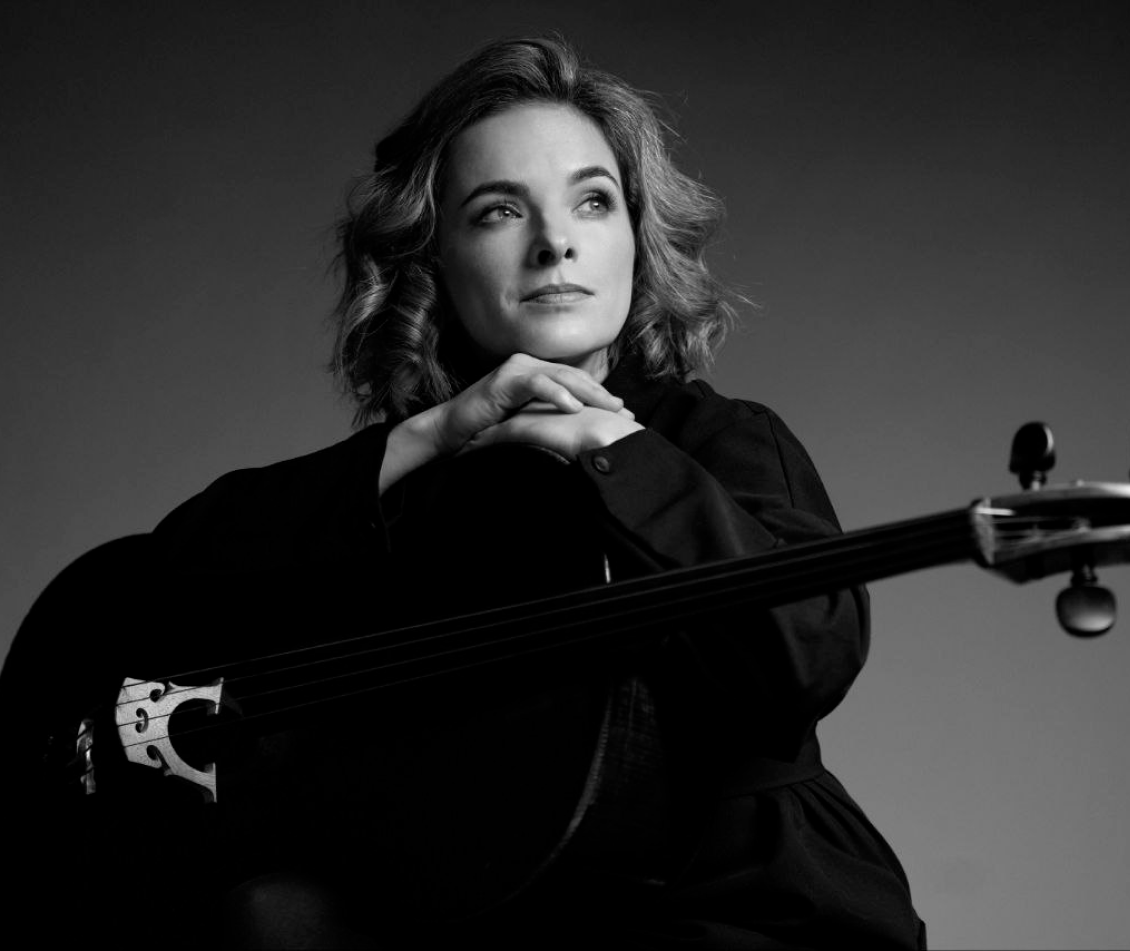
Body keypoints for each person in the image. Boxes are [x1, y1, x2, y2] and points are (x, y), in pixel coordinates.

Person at [3, 36, 926, 949]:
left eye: (593, 201)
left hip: (743, 903)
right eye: (498, 212)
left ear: (636, 241)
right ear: (434, 257)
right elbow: (156, 585)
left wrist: (617, 449)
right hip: (507, 907)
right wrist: (429, 436)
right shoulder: (419, 475)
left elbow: (810, 655)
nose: (555, 242)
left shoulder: (724, 440)